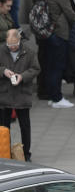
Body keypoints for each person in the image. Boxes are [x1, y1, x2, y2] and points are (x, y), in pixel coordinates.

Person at [40, 0, 75, 108]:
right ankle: (57, 98)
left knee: (50, 66)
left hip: (48, 32)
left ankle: (52, 95)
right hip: (59, 32)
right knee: (57, 66)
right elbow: (69, 13)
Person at [0, 28, 39, 161]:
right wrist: (3, 71)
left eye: (15, 45)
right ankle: (4, 152)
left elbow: (35, 69)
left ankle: (26, 154)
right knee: (4, 127)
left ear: (19, 40)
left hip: (22, 94)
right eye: (10, 46)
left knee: (25, 126)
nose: (12, 48)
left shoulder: (29, 52)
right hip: (5, 94)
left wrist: (22, 77)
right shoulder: (1, 50)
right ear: (6, 42)